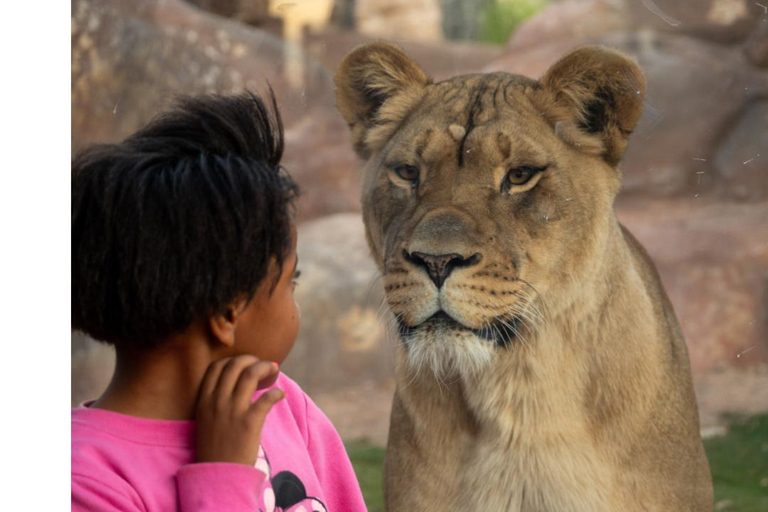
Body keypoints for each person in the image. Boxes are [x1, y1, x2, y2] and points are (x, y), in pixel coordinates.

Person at [71, 91, 368, 512]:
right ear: (229, 310)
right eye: (290, 281)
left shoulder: (283, 406)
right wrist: (223, 479)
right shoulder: (82, 482)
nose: (294, 303)